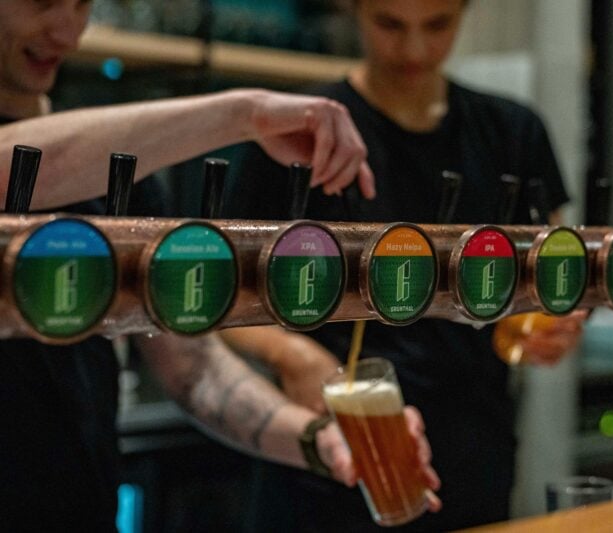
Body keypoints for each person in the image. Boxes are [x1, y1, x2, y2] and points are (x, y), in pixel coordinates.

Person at [0, 1, 440, 530]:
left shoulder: (118, 176)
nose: (68, 31)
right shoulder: (82, 153)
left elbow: (195, 370)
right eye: (44, 1)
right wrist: (244, 115)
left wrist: (317, 438)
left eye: (82, 4)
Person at [225, 0, 585, 530]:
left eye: (438, 25)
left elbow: (558, 276)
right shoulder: (298, 132)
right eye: (390, 25)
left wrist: (555, 322)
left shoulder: (513, 132)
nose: (415, 50)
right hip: (332, 450)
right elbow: (225, 291)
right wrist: (291, 354)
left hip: (470, 450)